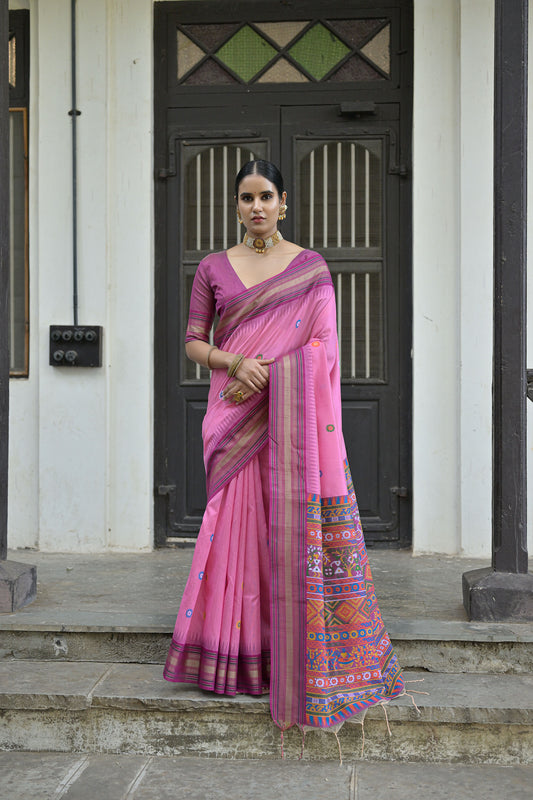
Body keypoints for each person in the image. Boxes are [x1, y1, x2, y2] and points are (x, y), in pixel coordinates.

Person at [164, 159, 404, 732]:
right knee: (234, 526)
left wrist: (273, 374)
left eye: (265, 196)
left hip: (289, 416)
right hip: (233, 413)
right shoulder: (213, 268)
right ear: (237, 206)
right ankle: (233, 659)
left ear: (284, 202)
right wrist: (236, 362)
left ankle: (292, 654)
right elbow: (194, 343)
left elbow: (323, 344)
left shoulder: (311, 268)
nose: (256, 207)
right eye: (246, 198)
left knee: (287, 525)